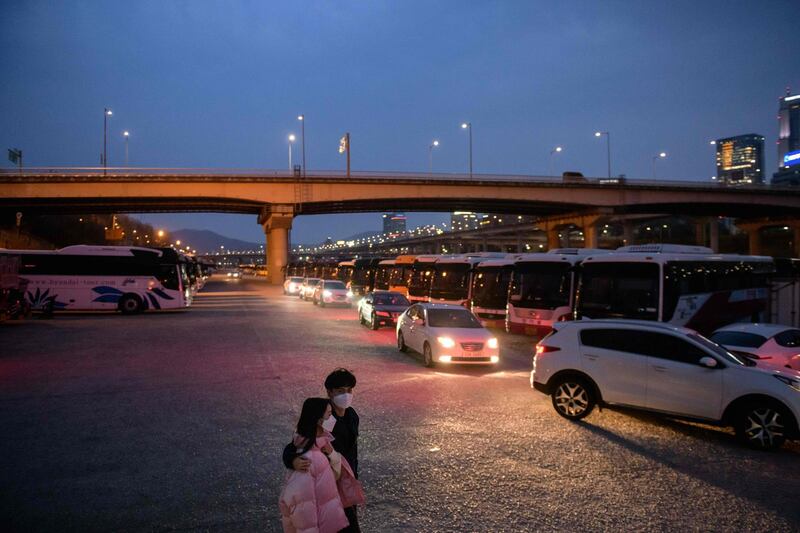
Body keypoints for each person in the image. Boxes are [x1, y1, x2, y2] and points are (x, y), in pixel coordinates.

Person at [283, 369, 361, 532]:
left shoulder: (352, 415)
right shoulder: (323, 417)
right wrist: (292, 460)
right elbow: (295, 445)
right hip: (328, 485)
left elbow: (352, 449)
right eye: (340, 391)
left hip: (347, 480)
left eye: (349, 390)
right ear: (329, 392)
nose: (346, 395)